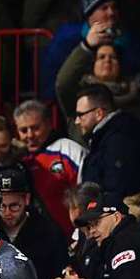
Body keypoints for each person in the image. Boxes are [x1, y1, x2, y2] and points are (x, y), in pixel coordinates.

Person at [40, 0, 140, 101]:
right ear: (90, 14)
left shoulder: (130, 40)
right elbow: (53, 85)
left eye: (114, 7)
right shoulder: (67, 39)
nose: (111, 13)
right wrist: (86, 46)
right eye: (104, 8)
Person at [0, 163, 67, 279]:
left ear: (26, 200)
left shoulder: (49, 233)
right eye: (2, 206)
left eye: (14, 206)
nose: (7, 213)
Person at [13, 99, 87, 237]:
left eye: (35, 128)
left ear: (48, 123)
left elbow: (86, 195)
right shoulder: (18, 160)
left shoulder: (69, 151)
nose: (30, 135)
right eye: (23, 130)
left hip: (71, 240)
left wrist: (80, 235)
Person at [56, 40, 140, 144]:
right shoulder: (79, 95)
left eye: (113, 57)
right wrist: (86, 46)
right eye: (101, 57)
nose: (107, 60)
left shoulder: (133, 95)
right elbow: (63, 81)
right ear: (93, 64)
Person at [75, 84, 140, 203]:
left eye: (80, 115)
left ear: (98, 113)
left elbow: (117, 189)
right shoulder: (104, 138)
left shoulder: (119, 141)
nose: (77, 121)